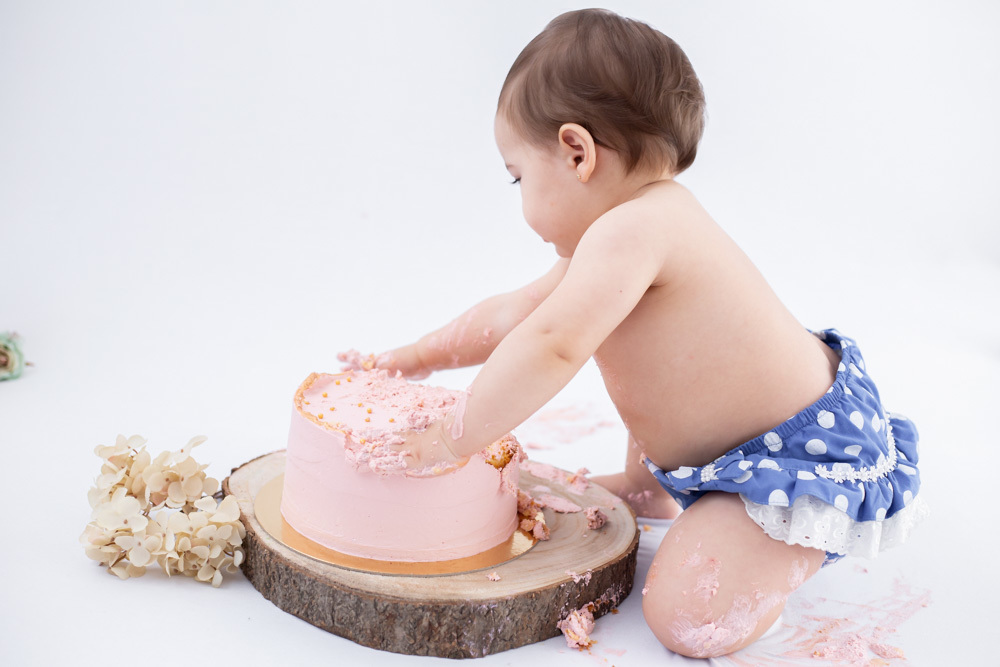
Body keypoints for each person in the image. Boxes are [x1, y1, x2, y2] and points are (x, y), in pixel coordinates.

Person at [340, 8, 925, 658]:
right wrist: (413, 358)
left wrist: (455, 436)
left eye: (518, 176)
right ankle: (653, 488)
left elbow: (551, 343)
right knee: (645, 361)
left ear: (576, 152)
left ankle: (800, 541)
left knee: (688, 616)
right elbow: (516, 315)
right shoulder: (615, 235)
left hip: (801, 456)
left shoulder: (638, 230)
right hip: (737, 441)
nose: (519, 198)